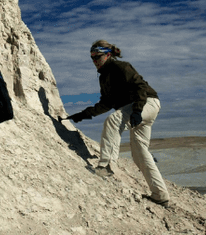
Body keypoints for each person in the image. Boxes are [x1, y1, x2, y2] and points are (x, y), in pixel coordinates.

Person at [67, 40, 170, 207]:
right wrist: (85, 114)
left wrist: (137, 110)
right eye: (92, 58)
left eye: (97, 57)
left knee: (114, 120)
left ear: (108, 55)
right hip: (138, 109)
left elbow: (140, 87)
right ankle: (160, 194)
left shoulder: (121, 67)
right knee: (139, 153)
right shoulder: (104, 78)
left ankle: (106, 166)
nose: (95, 61)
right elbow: (106, 103)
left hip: (147, 102)